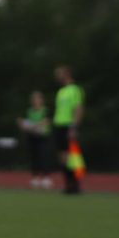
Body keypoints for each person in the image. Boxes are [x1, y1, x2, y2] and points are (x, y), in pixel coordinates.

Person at [52, 65, 85, 195]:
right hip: (59, 125)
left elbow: (78, 109)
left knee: (73, 157)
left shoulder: (74, 90)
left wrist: (74, 126)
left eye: (59, 74)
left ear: (67, 74)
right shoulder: (61, 91)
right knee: (62, 157)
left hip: (68, 125)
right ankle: (68, 184)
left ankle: (75, 185)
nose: (57, 77)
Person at [16, 91, 52, 188]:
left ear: (41, 100)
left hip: (43, 137)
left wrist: (34, 126)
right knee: (34, 157)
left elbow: (46, 121)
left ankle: (46, 177)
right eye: (33, 99)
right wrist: (23, 125)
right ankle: (35, 177)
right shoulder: (29, 111)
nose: (35, 101)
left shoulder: (45, 110)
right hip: (32, 137)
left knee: (43, 156)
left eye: (37, 99)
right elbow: (23, 122)